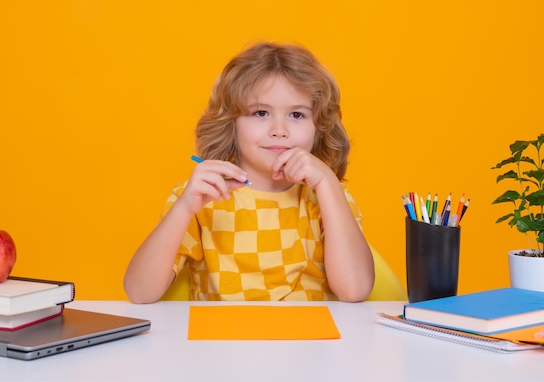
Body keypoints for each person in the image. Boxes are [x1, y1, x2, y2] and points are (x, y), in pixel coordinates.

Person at [124, 42, 374, 303]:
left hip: (310, 342)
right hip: (224, 342)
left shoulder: (328, 196)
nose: (280, 129)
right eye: (261, 112)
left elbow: (354, 290)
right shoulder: (202, 198)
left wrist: (329, 185)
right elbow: (139, 293)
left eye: (297, 115)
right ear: (231, 123)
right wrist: (184, 207)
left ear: (318, 127)